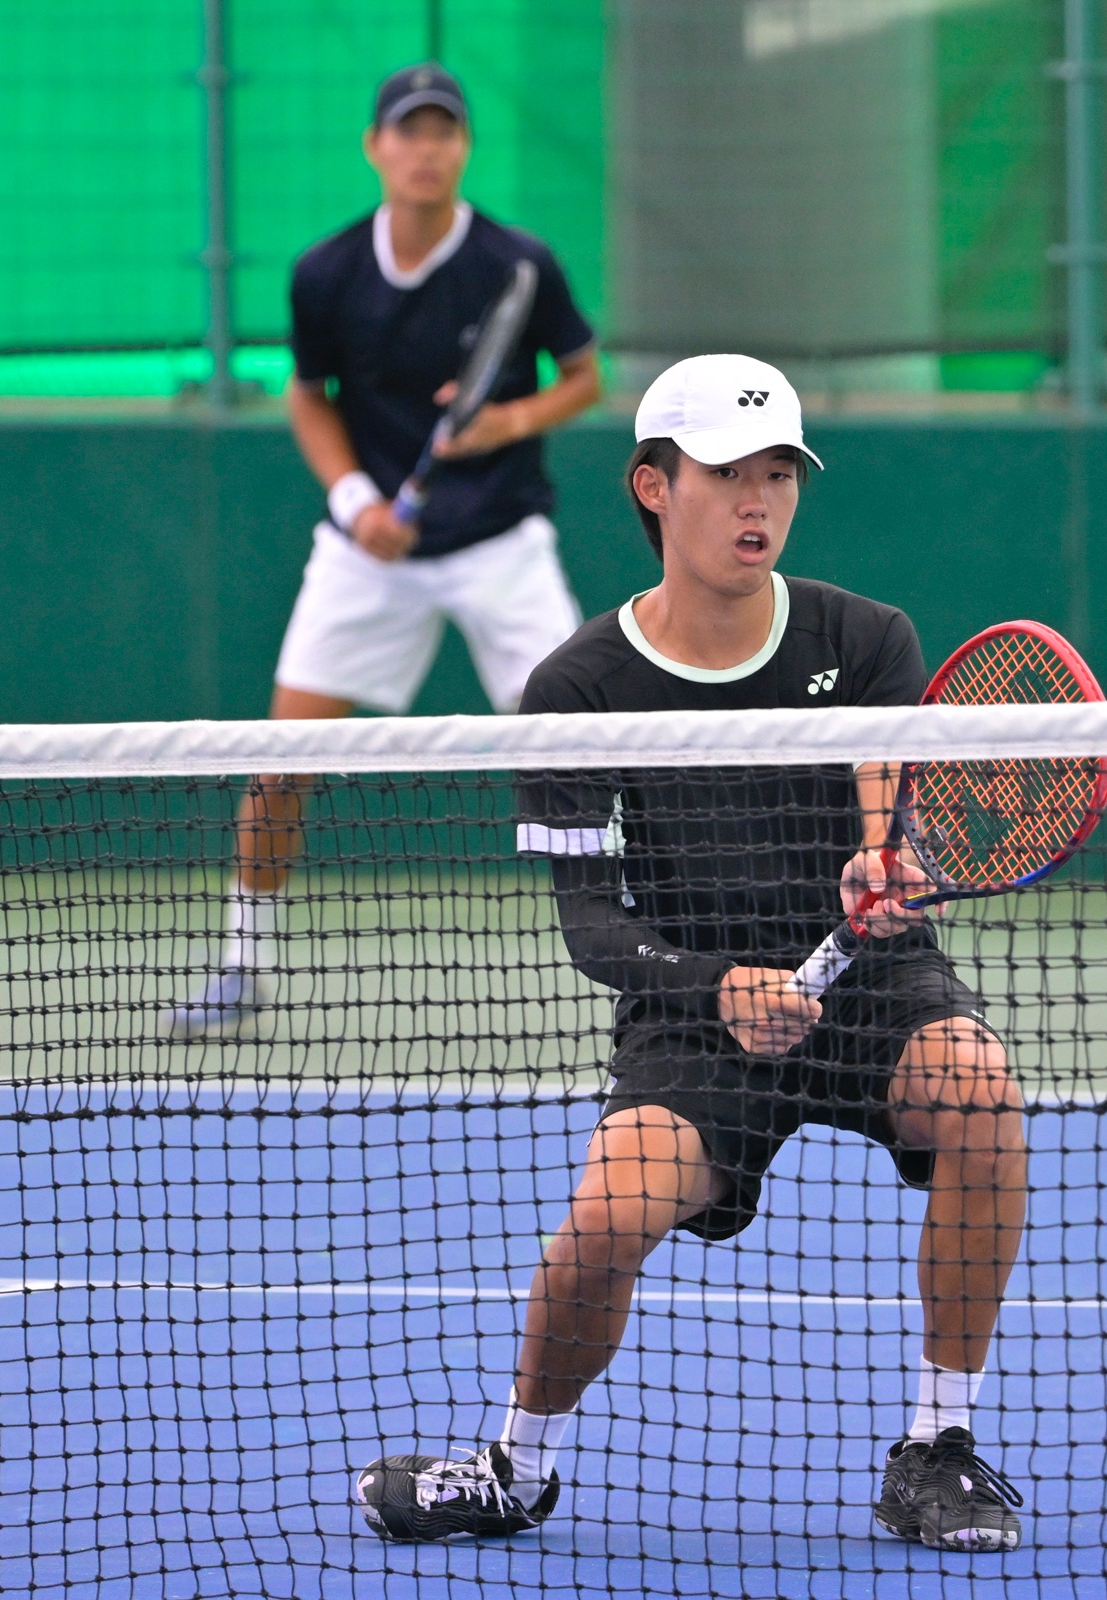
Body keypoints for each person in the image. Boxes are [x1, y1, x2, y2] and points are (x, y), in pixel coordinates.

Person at [352, 355, 1029, 1552]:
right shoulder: (579, 686)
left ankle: (938, 1445)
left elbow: (886, 807)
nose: (756, 500)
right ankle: (517, 1467)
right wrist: (716, 987)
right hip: (691, 1007)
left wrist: (881, 857)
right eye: (726, 474)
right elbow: (588, 919)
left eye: (779, 473)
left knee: (979, 1091)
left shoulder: (863, 637)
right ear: (654, 486)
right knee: (606, 1219)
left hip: (868, 979)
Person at [166, 62, 602, 1038]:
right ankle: (243, 961)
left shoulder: (518, 263)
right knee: (282, 763)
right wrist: (356, 499)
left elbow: (585, 377)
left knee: (582, 748)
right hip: (368, 552)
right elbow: (307, 396)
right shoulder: (325, 272)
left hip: (500, 539)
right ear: (375, 147)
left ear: (464, 148)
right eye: (408, 130)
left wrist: (506, 422)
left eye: (444, 130)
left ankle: (652, 949)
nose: (425, 148)